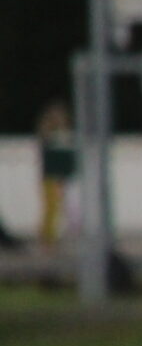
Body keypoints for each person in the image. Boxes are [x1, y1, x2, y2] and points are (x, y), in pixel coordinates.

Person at [36, 100, 79, 249]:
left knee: (64, 208)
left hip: (62, 176)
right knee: (51, 207)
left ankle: (54, 236)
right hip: (51, 176)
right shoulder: (48, 135)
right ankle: (47, 239)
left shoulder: (65, 134)